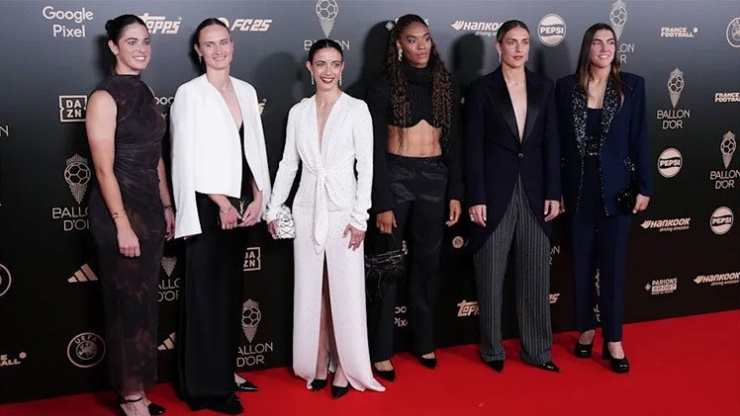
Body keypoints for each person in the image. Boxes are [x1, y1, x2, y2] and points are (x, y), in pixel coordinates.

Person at [265, 39, 384, 399]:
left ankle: (346, 367)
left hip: (344, 211)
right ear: (309, 68)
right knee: (311, 290)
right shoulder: (298, 112)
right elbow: (289, 164)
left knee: (344, 293)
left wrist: (360, 217)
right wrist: (274, 208)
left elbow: (366, 167)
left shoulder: (356, 109)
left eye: (335, 64)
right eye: (321, 64)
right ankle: (318, 361)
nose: (328, 71)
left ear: (343, 67)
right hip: (305, 210)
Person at [170, 18, 271, 414]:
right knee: (205, 298)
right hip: (207, 205)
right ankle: (205, 389)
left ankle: (225, 373)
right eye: (208, 45)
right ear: (198, 51)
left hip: (242, 203)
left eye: (223, 42)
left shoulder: (245, 90)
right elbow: (185, 158)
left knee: (229, 294)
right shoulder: (189, 94)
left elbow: (255, 147)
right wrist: (221, 203)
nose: (217, 50)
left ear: (233, 45)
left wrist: (260, 195)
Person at [364, 14, 463, 381]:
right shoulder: (382, 86)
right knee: (387, 265)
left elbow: (454, 142)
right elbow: (372, 150)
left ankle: (425, 340)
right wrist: (383, 201)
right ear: (398, 45)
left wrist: (456, 191)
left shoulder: (446, 84)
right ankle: (381, 349)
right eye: (412, 40)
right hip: (396, 177)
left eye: (425, 39)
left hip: (435, 179)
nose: (421, 46)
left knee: (427, 264)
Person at [86, 14, 174, 416]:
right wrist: (123, 224)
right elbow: (103, 168)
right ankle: (130, 396)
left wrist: (167, 204)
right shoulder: (104, 97)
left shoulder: (146, 91)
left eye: (147, 41)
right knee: (126, 304)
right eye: (132, 41)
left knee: (145, 305)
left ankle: (140, 387)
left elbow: (155, 156)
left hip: (150, 210)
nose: (142, 49)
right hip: (118, 211)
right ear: (113, 47)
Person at [463, 20, 561, 374]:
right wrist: (476, 196)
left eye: (524, 42)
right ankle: (492, 350)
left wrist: (554, 191)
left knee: (536, 275)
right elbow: (471, 147)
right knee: (490, 274)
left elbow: (552, 142)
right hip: (493, 191)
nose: (519, 49)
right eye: (511, 42)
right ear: (498, 47)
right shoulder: (481, 90)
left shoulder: (544, 88)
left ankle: (538, 351)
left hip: (535, 192)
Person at [556, 23, 652, 374]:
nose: (604, 48)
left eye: (610, 42)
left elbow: (640, 138)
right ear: (587, 48)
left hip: (617, 192)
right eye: (597, 43)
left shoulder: (633, 85)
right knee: (580, 265)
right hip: (578, 192)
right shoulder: (566, 87)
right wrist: (556, 191)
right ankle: (585, 330)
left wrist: (645, 186)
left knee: (612, 268)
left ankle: (613, 338)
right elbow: (558, 145)